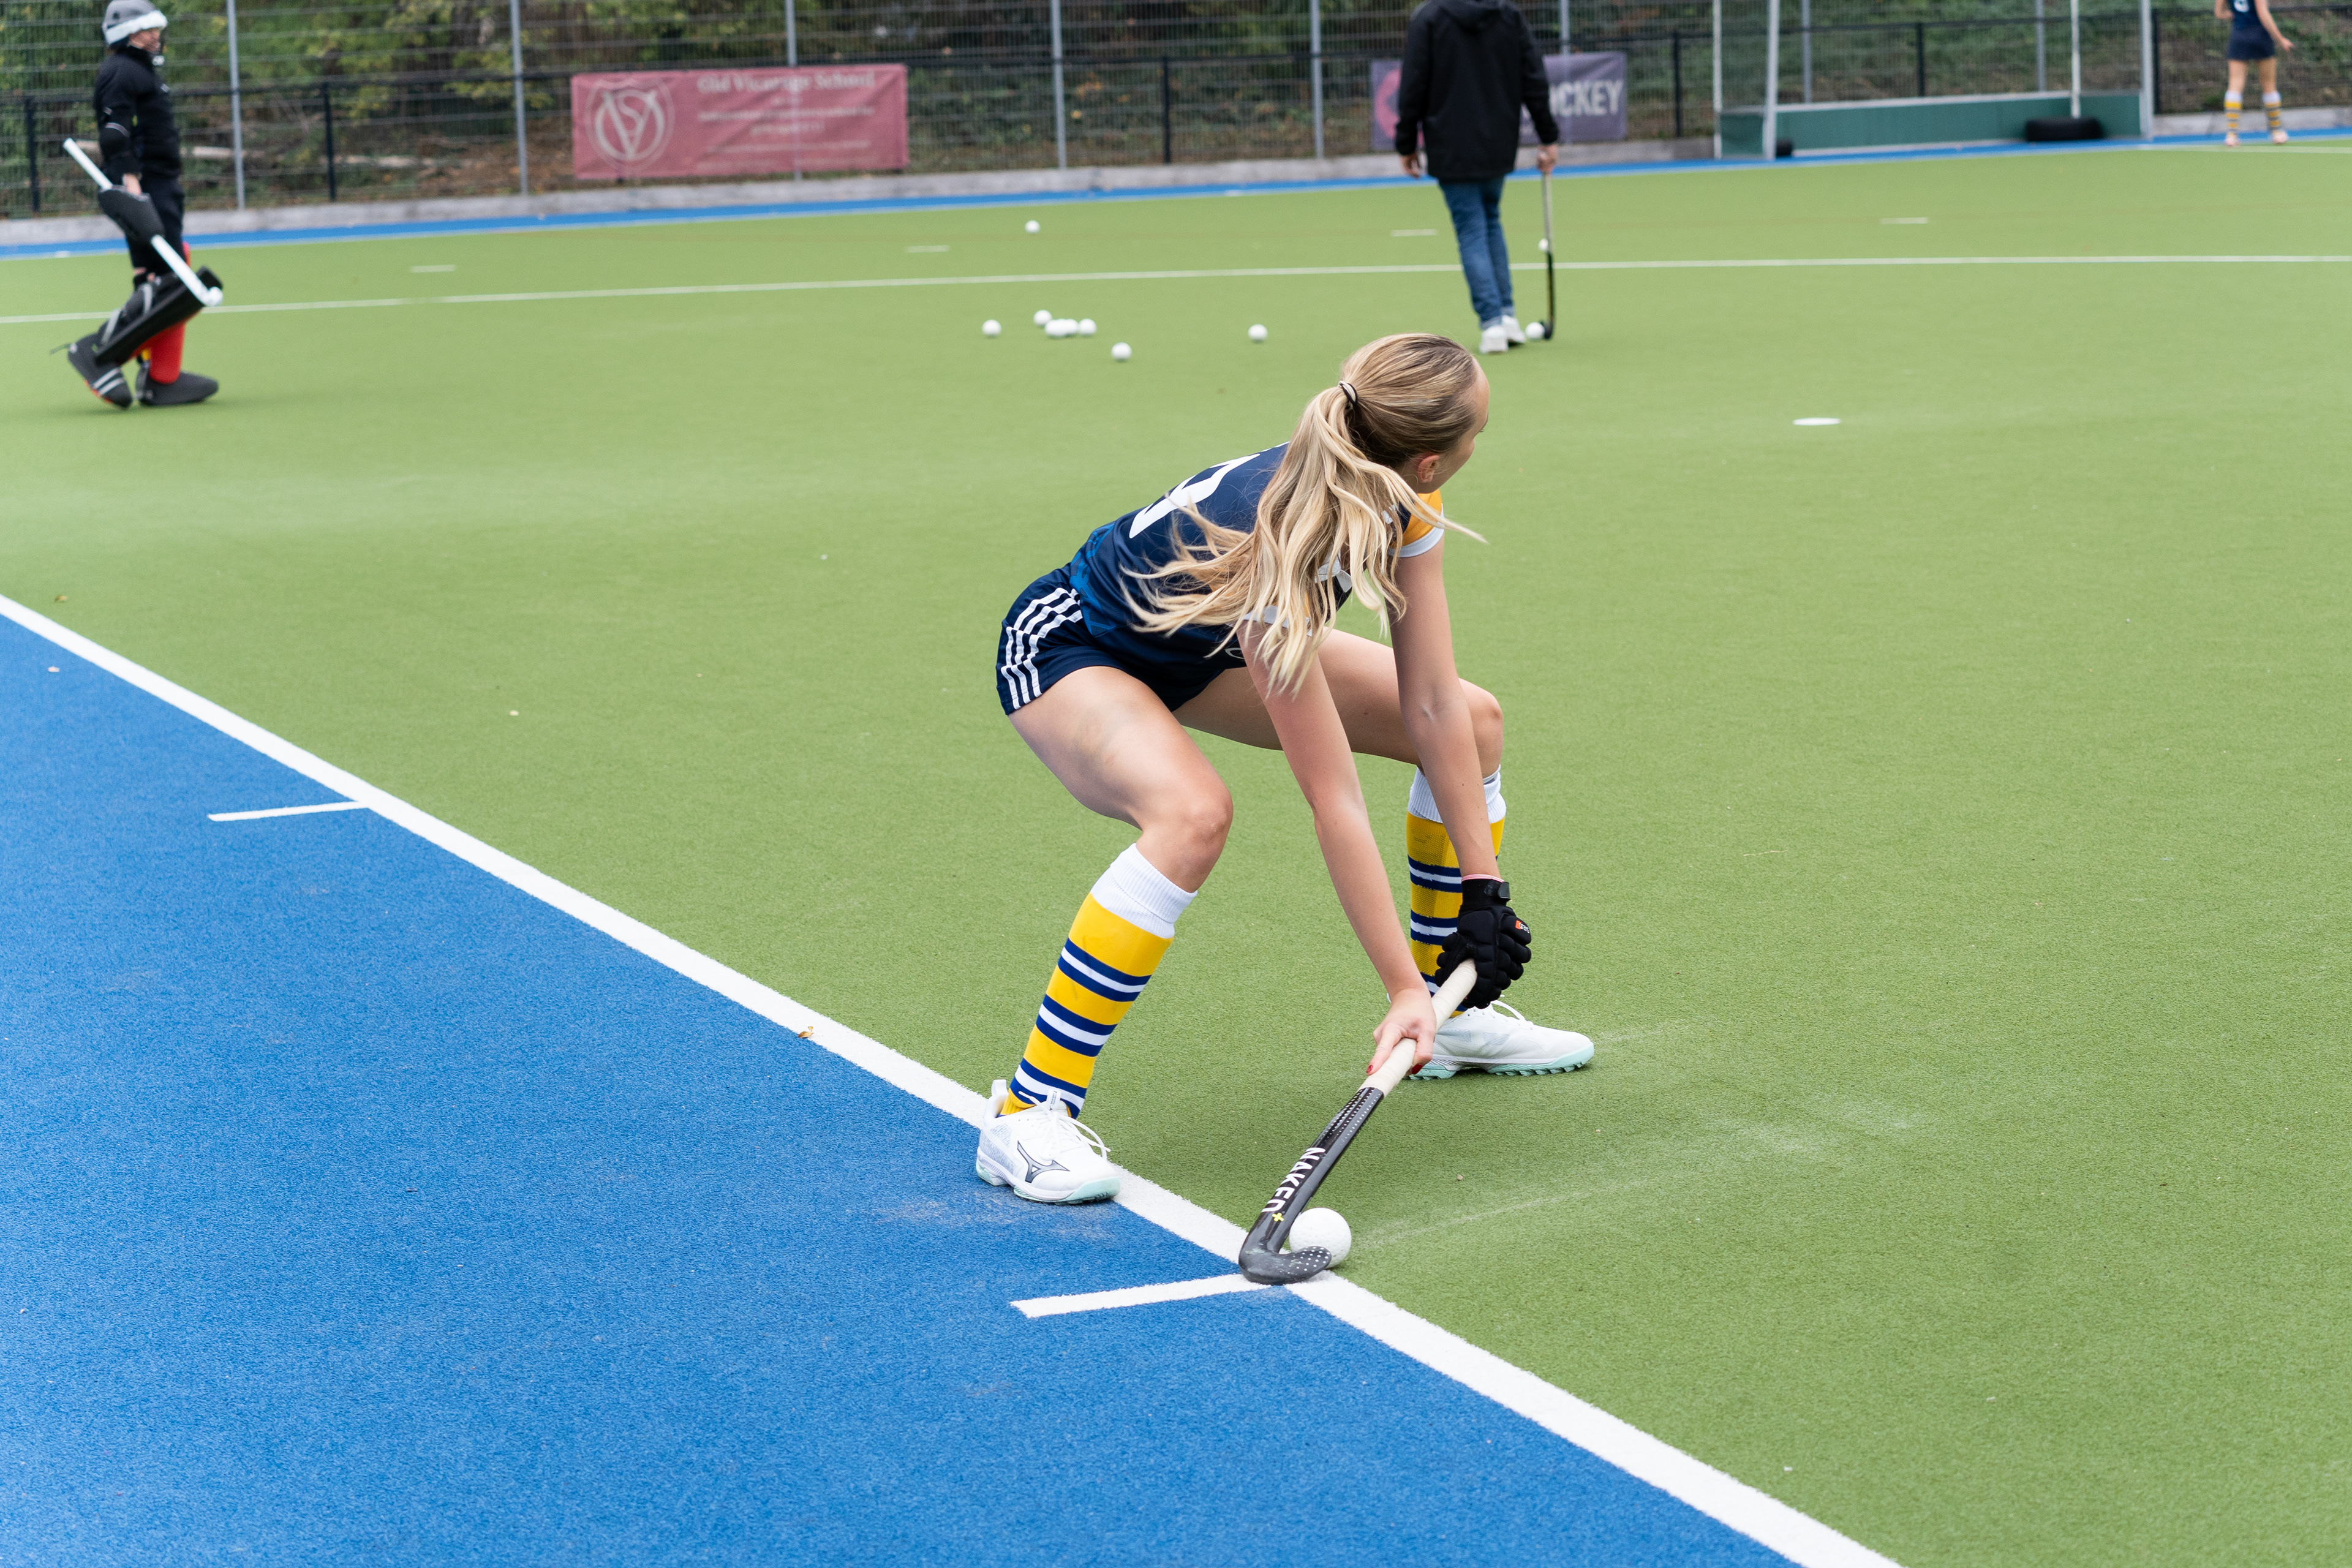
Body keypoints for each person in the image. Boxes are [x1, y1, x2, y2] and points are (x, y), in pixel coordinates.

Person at [978, 333, 1592, 1204]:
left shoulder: (1406, 496)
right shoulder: (1287, 546)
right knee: (1193, 815)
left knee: (1476, 718)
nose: (1475, 447)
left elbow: (1432, 704)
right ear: (1428, 456)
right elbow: (1334, 798)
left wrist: (1483, 894)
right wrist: (1394, 989)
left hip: (1206, 647)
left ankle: (1448, 1015)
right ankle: (1026, 1113)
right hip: (1075, 647)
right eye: (1477, 433)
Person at [66, 0, 218, 407]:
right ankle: (99, 353)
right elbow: (115, 133)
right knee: (172, 277)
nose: (156, 36)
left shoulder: (141, 69)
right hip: (146, 183)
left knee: (162, 275)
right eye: (147, 30)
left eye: (155, 29)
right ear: (127, 34)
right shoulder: (121, 70)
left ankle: (161, 377)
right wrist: (132, 185)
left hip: (161, 180)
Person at [1395, 0, 1560, 356]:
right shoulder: (1507, 15)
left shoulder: (1430, 17)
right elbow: (1534, 77)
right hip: (1497, 140)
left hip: (1450, 143)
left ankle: (1492, 323)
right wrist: (1547, 136)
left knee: (1472, 227)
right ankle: (1507, 317)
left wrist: (1406, 143)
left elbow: (1413, 84)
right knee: (1490, 221)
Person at [2216, 0, 2294, 146]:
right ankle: (2277, 132)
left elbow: (2219, 13)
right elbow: (2263, 13)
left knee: (2235, 84)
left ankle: (2232, 135)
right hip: (2260, 35)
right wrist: (2280, 39)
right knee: (2269, 84)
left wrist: (2234, 15)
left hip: (2239, 36)